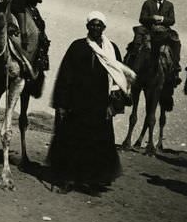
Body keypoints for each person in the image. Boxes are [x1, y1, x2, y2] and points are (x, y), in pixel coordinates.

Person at [48, 12, 135, 195]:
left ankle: (94, 180)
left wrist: (113, 104)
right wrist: (62, 103)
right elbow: (65, 76)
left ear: (104, 27)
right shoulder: (78, 47)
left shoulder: (112, 49)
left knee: (99, 144)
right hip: (78, 104)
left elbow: (118, 78)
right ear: (87, 26)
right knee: (73, 141)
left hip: (101, 105)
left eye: (99, 25)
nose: (96, 28)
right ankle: (67, 180)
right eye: (92, 25)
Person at [131, 0, 182, 84]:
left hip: (164, 30)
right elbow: (142, 19)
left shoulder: (169, 5)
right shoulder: (148, 3)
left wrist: (162, 19)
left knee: (176, 41)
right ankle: (133, 63)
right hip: (149, 29)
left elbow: (172, 20)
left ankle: (175, 67)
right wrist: (152, 18)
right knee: (138, 40)